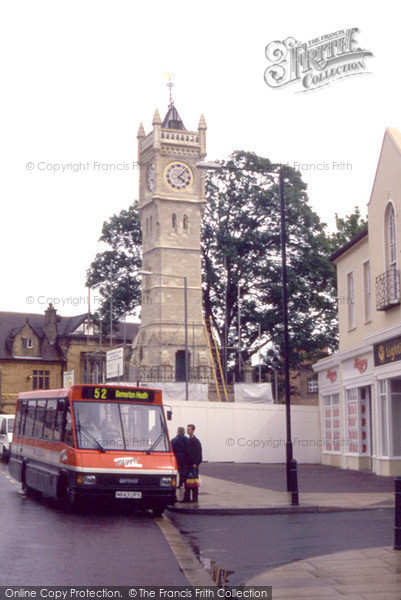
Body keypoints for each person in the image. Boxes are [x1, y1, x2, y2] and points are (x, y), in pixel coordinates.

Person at [183, 424, 202, 503]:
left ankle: (194, 498)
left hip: (193, 465)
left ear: (193, 430)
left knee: (194, 481)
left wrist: (196, 463)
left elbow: (198, 453)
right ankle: (187, 497)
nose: (188, 431)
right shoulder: (188, 440)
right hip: (187, 464)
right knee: (187, 482)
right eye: (187, 430)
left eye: (189, 430)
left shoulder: (196, 441)